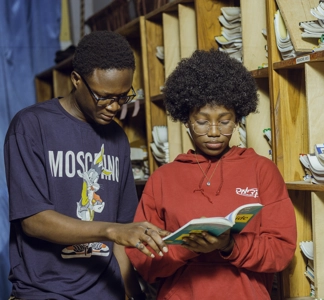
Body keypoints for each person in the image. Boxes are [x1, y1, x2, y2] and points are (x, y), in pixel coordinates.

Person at [4, 31, 169, 300]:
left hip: (106, 292)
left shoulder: (117, 138)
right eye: (104, 96)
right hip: (45, 293)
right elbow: (34, 221)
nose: (114, 107)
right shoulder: (31, 126)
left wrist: (134, 295)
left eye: (122, 97)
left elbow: (121, 235)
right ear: (77, 80)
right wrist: (110, 230)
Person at [125, 49, 297, 299]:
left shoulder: (261, 170)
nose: (214, 131)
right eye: (203, 122)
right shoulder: (163, 178)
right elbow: (143, 260)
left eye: (225, 121)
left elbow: (282, 251)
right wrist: (189, 248)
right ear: (186, 120)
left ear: (238, 118)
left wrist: (229, 245)